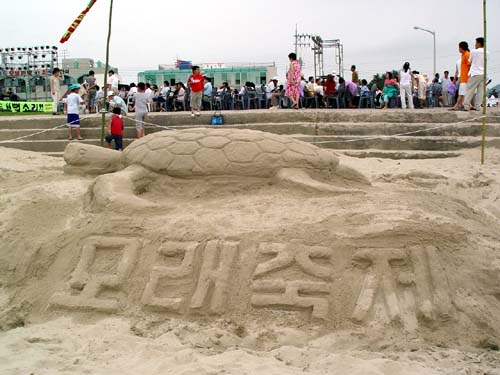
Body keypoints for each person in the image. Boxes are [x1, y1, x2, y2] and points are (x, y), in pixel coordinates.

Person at [463, 37, 488, 111]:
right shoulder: (487, 52)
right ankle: (478, 106)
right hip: (484, 73)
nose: (475, 44)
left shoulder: (474, 51)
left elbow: (470, 60)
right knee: (481, 91)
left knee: (470, 89)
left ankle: (466, 106)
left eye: (476, 43)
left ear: (479, 43)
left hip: (475, 73)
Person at [451, 41, 471, 111]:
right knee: (463, 93)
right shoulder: (463, 55)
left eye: (459, 47)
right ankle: (467, 105)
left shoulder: (467, 55)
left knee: (461, 93)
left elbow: (470, 65)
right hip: (463, 77)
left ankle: (457, 106)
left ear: (461, 48)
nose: (458, 49)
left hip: (466, 78)